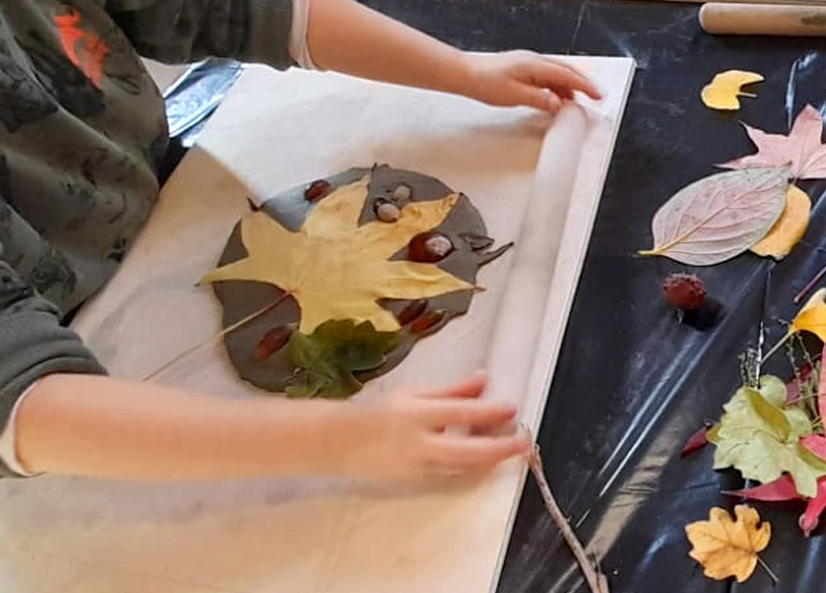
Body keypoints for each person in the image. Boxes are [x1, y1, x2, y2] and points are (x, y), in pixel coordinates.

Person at [0, 0, 601, 482]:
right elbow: (24, 405)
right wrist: (342, 442)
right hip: (76, 370)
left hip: (158, 192)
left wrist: (460, 69)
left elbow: (241, 11)